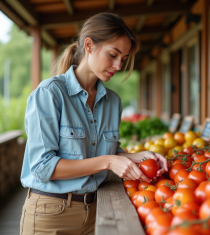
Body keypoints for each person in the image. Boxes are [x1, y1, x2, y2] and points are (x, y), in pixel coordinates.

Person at [19, 12, 168, 235]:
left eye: (123, 59)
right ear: (89, 45)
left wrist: (141, 156)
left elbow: (104, 151)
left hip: (97, 213)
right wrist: (109, 161)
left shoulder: (113, 102)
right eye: (113, 55)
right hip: (50, 215)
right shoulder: (50, 94)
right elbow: (43, 167)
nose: (118, 65)